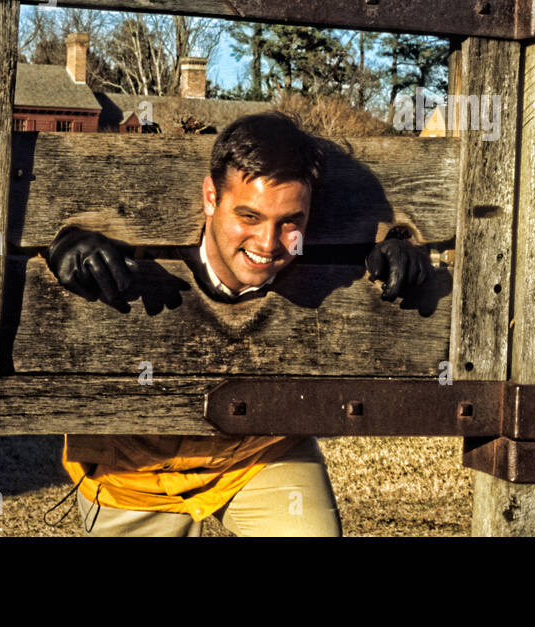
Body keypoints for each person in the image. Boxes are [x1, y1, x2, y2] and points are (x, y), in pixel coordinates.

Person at [46, 111, 429, 537]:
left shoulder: (325, 251)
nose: (268, 244)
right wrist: (62, 247)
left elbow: (382, 238)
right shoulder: (136, 247)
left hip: (259, 448)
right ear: (210, 198)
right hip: (132, 469)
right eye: (249, 216)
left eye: (289, 221)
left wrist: (397, 245)